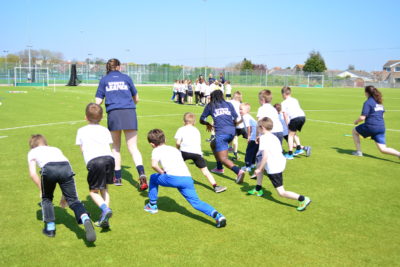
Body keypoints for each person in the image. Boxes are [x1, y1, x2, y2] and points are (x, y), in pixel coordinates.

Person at [144, 129, 227, 228]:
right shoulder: (174, 149)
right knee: (196, 202)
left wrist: (162, 172)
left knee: (153, 177)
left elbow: (154, 165)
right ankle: (218, 216)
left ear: (152, 144)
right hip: (187, 178)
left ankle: (152, 205)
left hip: (173, 178)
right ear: (165, 139)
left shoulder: (156, 150)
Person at [27, 134, 96, 242]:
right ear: (46, 143)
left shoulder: (33, 152)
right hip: (66, 167)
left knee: (47, 199)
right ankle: (85, 217)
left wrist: (41, 188)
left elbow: (32, 173)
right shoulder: (55, 149)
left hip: (48, 169)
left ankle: (50, 228)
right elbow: (65, 169)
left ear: (32, 146)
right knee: (74, 201)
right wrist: (65, 196)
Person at [95, 58, 148, 190]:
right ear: (119, 67)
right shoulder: (126, 78)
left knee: (116, 148)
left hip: (114, 114)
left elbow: (98, 101)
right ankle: (141, 173)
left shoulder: (104, 79)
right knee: (133, 147)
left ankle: (117, 177)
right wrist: (129, 106)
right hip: (129, 112)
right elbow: (137, 98)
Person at [248, 118, 311, 211]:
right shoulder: (272, 136)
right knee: (259, 164)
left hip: (274, 166)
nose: (257, 129)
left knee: (281, 192)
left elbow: (265, 156)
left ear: (262, 127)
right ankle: (258, 189)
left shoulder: (264, 138)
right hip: (280, 161)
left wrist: (259, 169)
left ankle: (303, 199)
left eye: (258, 127)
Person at [76, 103, 115, 229]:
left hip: (95, 161)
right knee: (105, 187)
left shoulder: (81, 130)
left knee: (93, 191)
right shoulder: (104, 129)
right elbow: (108, 144)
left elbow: (81, 148)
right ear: (102, 117)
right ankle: (105, 218)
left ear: (85, 117)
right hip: (109, 159)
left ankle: (105, 209)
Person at [200, 90, 245, 183]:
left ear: (212, 97)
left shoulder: (211, 105)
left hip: (222, 133)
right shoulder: (228, 104)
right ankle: (219, 168)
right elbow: (235, 118)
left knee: (223, 158)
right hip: (232, 132)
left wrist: (207, 123)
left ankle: (239, 172)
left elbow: (201, 119)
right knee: (213, 144)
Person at [174, 112, 227, 193]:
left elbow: (178, 143)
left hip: (184, 151)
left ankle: (165, 175)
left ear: (183, 121)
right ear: (194, 122)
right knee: (205, 171)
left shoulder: (181, 129)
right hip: (196, 153)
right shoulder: (196, 130)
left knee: (174, 164)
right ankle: (215, 186)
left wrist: (177, 150)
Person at [352, 85, 400, 158]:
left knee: (354, 131)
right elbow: (382, 115)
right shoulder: (379, 102)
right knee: (383, 149)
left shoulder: (368, 102)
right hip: (381, 127)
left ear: (367, 93)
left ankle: (359, 152)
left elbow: (362, 118)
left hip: (371, 126)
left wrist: (356, 122)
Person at [281, 86, 311, 160]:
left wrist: (287, 124)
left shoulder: (283, 103)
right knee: (293, 133)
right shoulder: (295, 100)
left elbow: (285, 115)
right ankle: (298, 149)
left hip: (295, 118)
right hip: (303, 117)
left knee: (290, 135)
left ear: (284, 94)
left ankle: (290, 154)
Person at [239, 103, 258, 173]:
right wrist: (237, 123)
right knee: (254, 150)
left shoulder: (245, 116)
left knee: (249, 151)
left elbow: (248, 127)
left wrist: (249, 136)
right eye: (239, 109)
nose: (240, 110)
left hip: (253, 136)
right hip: (257, 135)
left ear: (247, 111)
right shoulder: (246, 116)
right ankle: (252, 164)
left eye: (241, 109)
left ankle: (247, 166)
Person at [228, 91, 247, 160]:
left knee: (234, 137)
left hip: (234, 124)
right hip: (242, 124)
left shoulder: (230, 102)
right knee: (249, 138)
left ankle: (233, 150)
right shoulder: (240, 104)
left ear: (234, 96)